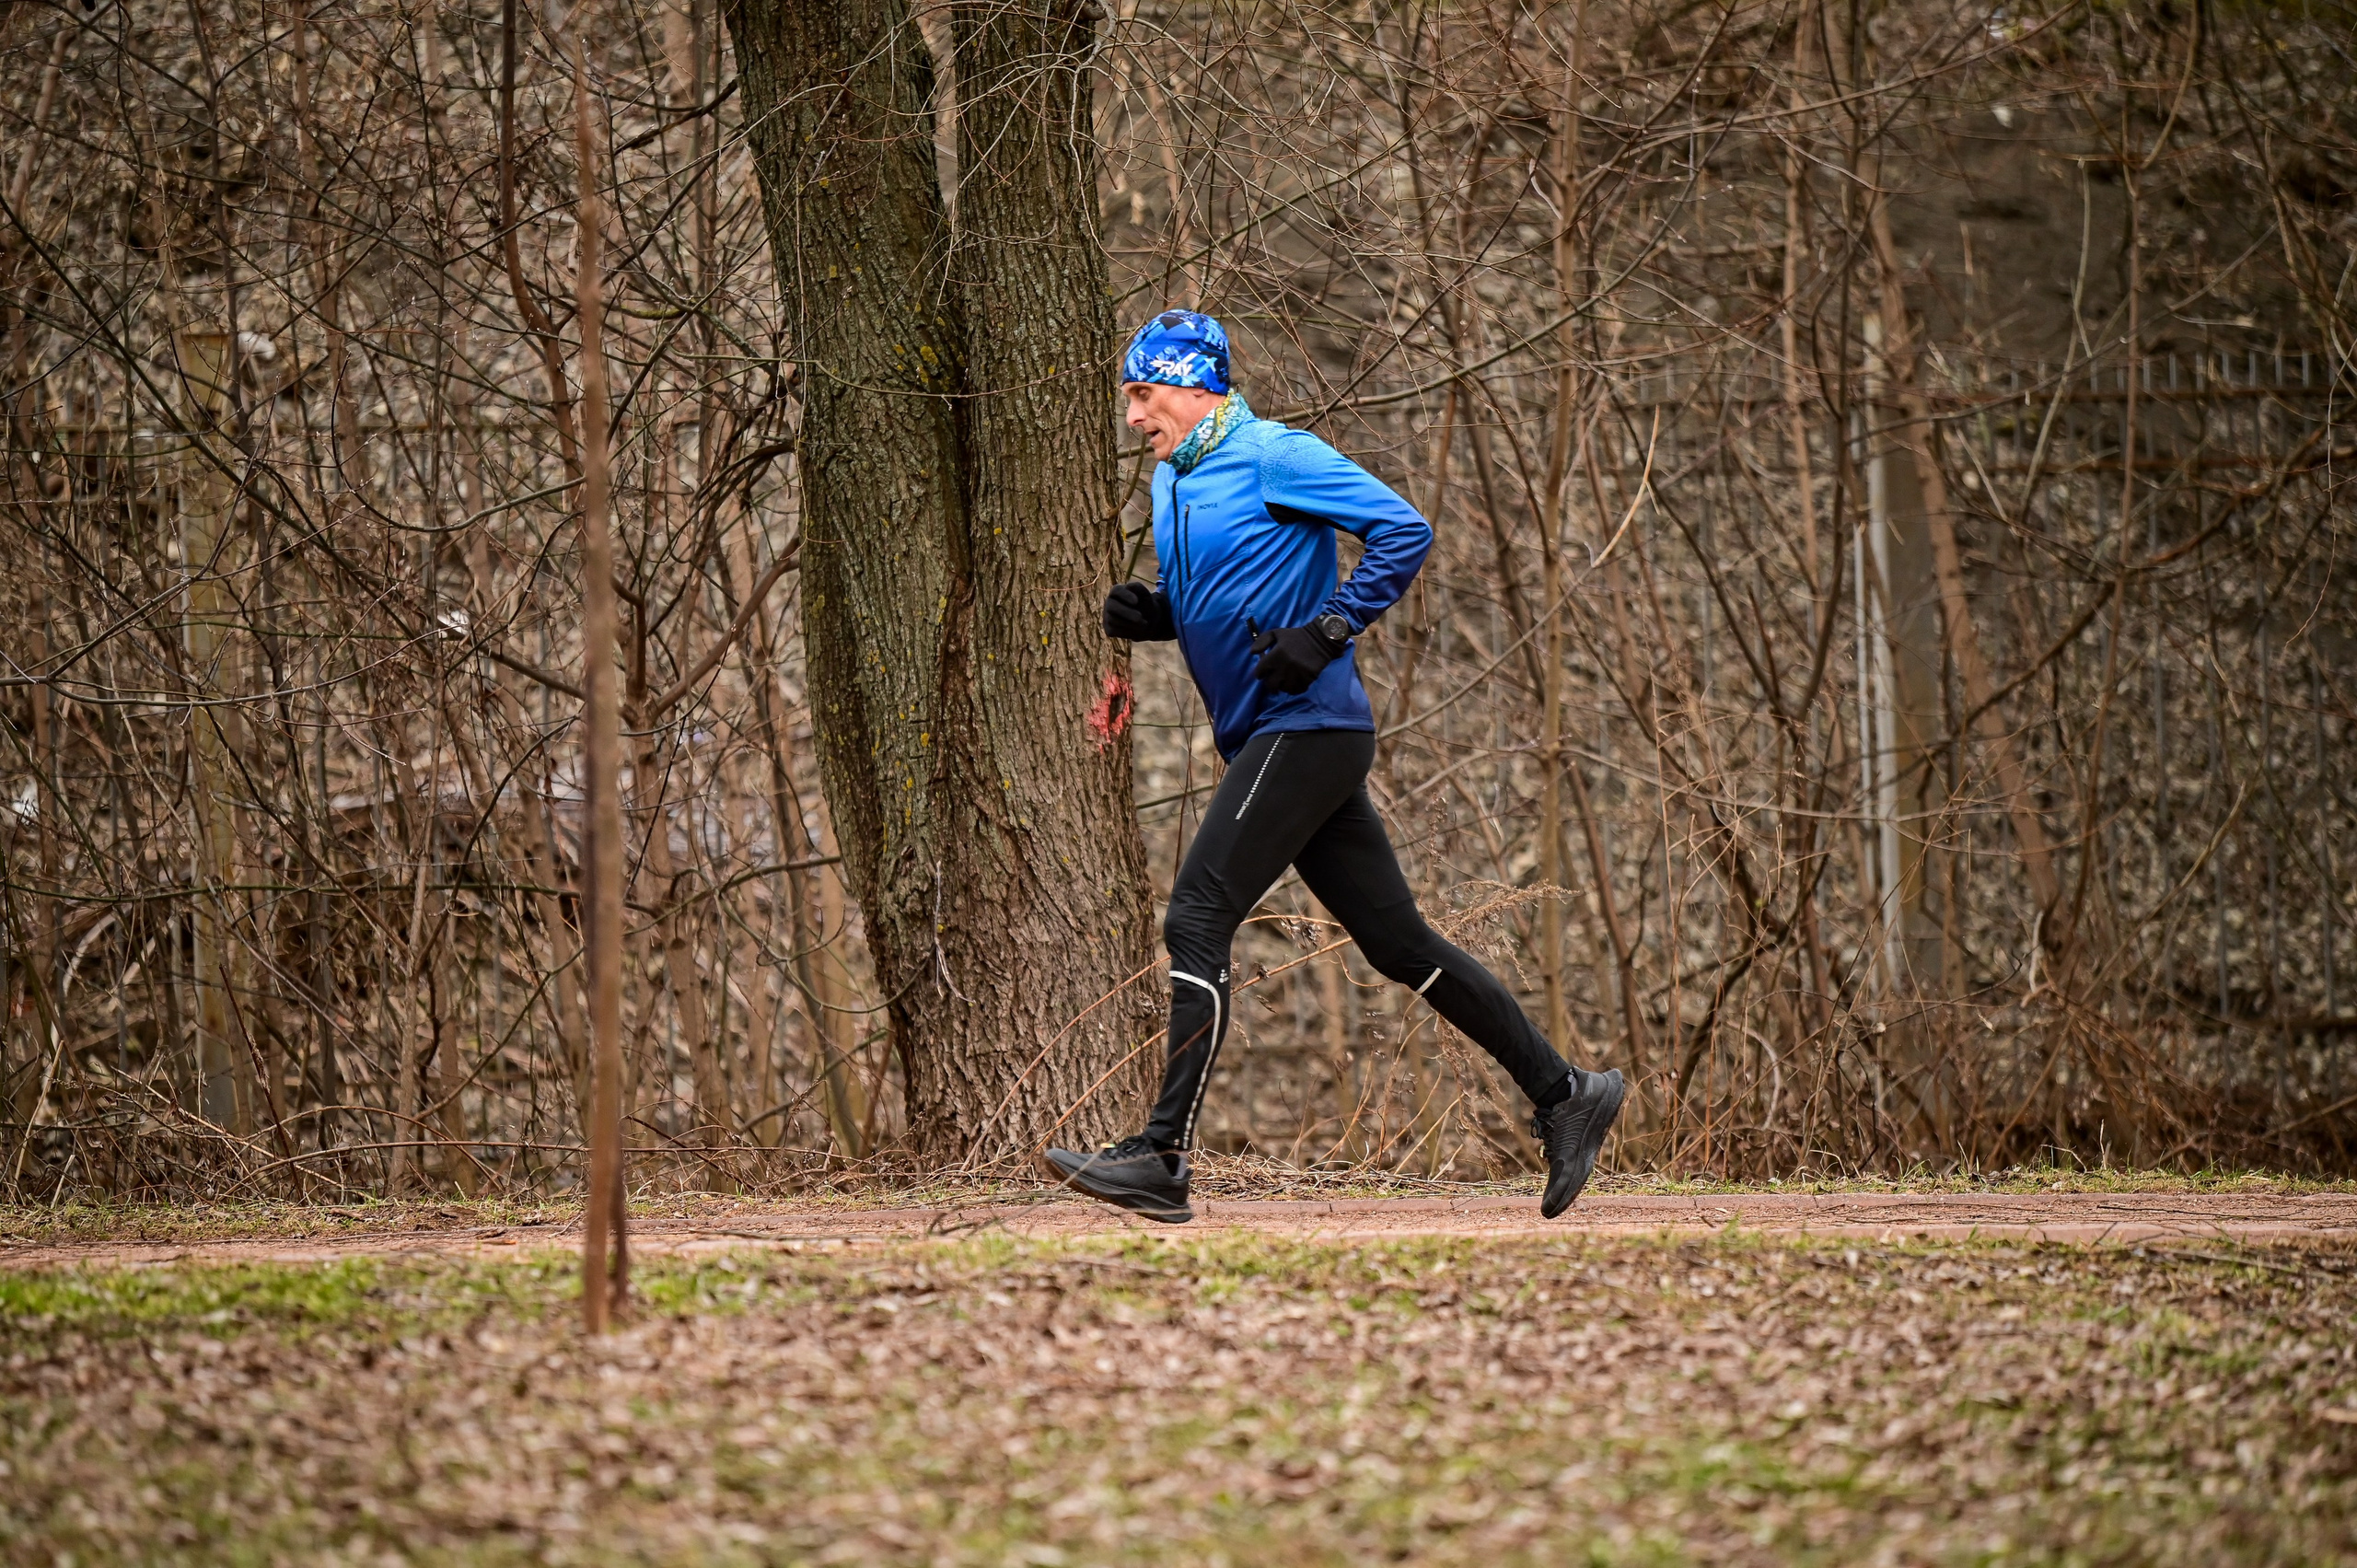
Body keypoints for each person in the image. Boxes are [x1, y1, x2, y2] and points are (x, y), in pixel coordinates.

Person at [1041, 309, 1625, 1224]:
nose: (1132, 415)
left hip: (1307, 726)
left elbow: (1404, 530)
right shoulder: (1172, 480)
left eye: (1142, 394)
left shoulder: (1276, 455)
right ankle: (1566, 1092)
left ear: (1194, 387)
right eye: (1128, 398)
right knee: (1399, 943)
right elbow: (1220, 594)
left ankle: (1162, 1154)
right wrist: (1157, 614)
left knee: (1197, 914)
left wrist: (1329, 629)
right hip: (1271, 735)